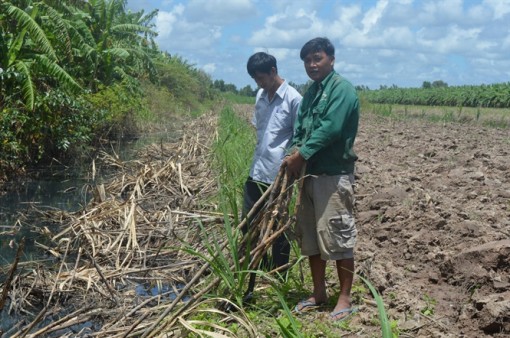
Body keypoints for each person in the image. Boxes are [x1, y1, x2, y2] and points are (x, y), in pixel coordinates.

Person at [283, 37, 359, 321]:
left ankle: (344, 298)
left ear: (331, 59)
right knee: (312, 239)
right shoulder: (312, 92)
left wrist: (301, 154)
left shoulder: (342, 90)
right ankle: (318, 292)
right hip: (309, 175)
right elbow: (301, 128)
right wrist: (293, 153)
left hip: (333, 175)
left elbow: (331, 129)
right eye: (307, 61)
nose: (312, 65)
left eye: (317, 58)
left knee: (338, 238)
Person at [242, 52, 302, 301]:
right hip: (257, 170)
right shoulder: (260, 96)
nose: (259, 83)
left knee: (277, 227)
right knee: (248, 224)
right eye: (255, 79)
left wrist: (290, 167)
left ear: (273, 71)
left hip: (279, 176)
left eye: (261, 78)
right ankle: (253, 269)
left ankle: (279, 276)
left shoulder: (294, 99)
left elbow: (300, 137)